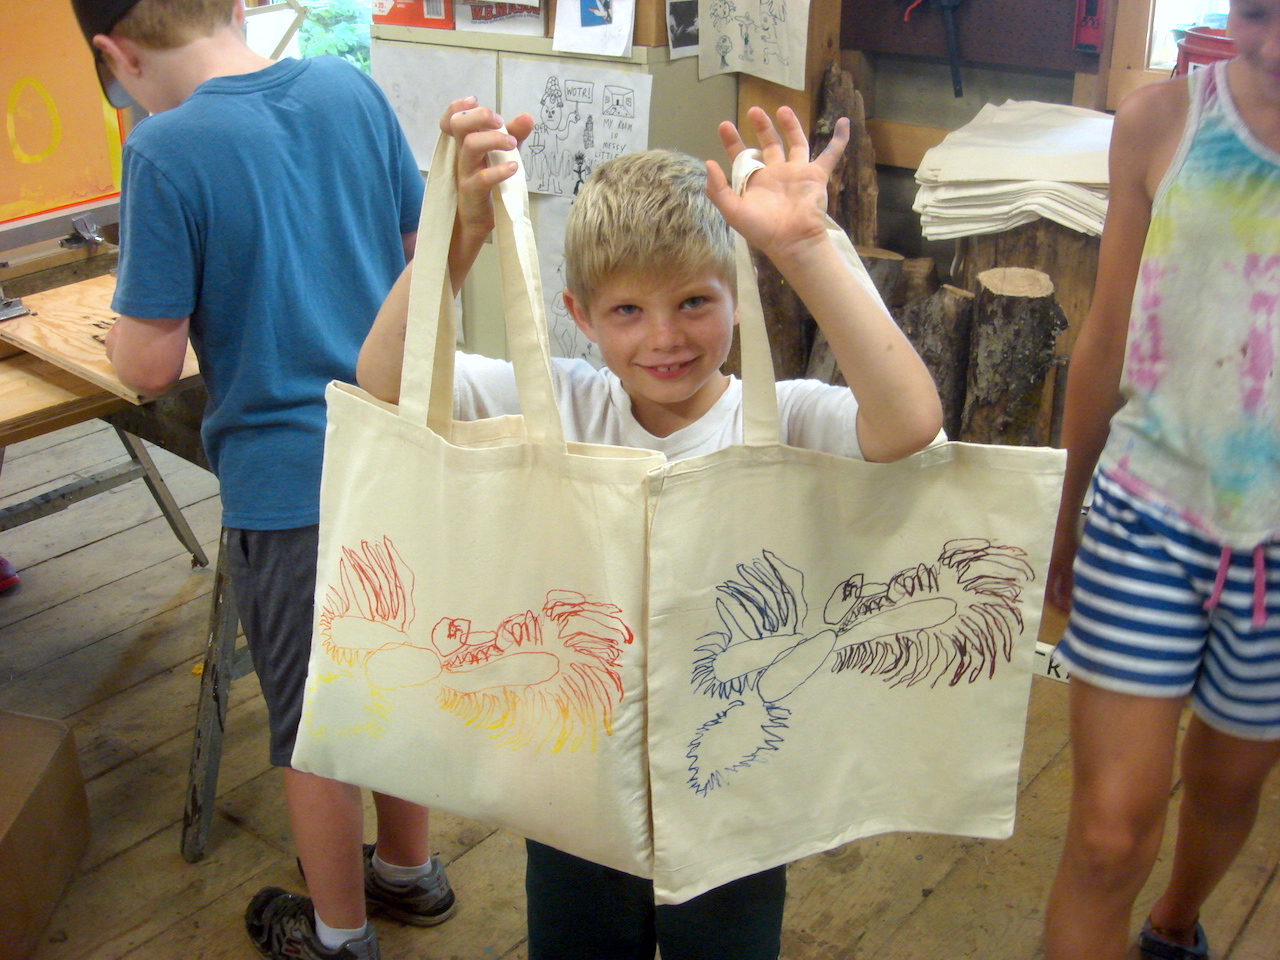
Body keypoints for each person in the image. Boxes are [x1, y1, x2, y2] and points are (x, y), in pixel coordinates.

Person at [358, 100, 943, 960]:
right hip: (576, 788)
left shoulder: (781, 418)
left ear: (739, 292)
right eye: (627, 311)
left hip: (735, 795)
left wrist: (805, 247)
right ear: (580, 314)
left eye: (695, 301)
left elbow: (910, 424)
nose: (665, 337)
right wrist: (461, 233)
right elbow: (386, 382)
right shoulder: (564, 403)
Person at [69, 2, 454, 958]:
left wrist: (123, 327)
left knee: (315, 724)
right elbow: (420, 259)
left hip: (288, 490)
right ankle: (409, 870)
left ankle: (337, 935)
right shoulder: (348, 89)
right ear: (236, 7)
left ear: (113, 56)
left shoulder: (162, 150)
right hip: (395, 456)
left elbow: (150, 366)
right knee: (395, 674)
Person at [1042, 2, 1280, 958]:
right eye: (1258, 12)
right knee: (1109, 833)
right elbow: (1106, 335)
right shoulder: (1162, 122)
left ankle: (1175, 926)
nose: (1275, 45)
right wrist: (1063, 512)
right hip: (1145, 514)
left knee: (1232, 781)